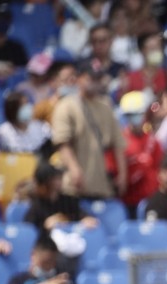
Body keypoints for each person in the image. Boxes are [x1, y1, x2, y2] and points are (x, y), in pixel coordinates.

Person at [51, 58, 127, 201]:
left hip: (102, 184)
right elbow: (63, 144)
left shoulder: (106, 106)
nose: (95, 82)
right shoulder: (66, 106)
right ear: (78, 78)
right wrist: (74, 169)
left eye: (99, 78)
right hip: (73, 187)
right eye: (91, 78)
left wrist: (122, 175)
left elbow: (118, 144)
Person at [6, 231, 77, 284]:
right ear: (33, 255)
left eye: (53, 262)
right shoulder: (17, 280)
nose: (50, 266)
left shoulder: (59, 280)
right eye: (46, 262)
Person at [119, 90, 162, 214]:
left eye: (138, 113)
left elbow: (160, 167)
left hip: (153, 200)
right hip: (129, 201)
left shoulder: (153, 140)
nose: (135, 118)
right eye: (130, 115)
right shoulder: (120, 141)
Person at [0, 90, 52, 154]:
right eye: (22, 105)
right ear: (13, 109)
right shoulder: (2, 133)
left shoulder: (42, 128)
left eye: (27, 103)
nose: (27, 107)